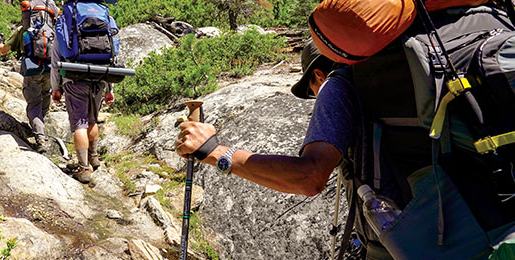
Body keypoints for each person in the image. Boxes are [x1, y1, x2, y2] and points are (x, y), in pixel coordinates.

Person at [176, 39, 515, 260]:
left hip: (422, 239)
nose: (315, 98)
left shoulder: (338, 84)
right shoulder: (416, 75)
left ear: (318, 74)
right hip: (498, 216)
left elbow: (309, 178)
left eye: (311, 90)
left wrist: (216, 152)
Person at [0, 0, 58, 154]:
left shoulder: (23, 30)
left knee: (34, 104)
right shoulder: (54, 30)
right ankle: (40, 128)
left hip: (32, 71)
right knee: (45, 97)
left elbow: (4, 50)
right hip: (50, 71)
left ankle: (40, 139)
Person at [50, 47, 115, 184]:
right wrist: (110, 88)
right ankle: (94, 157)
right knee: (92, 120)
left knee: (80, 124)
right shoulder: (103, 24)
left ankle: (84, 169)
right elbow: (112, 55)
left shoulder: (64, 25)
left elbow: (56, 58)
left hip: (74, 79)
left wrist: (56, 87)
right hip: (99, 78)